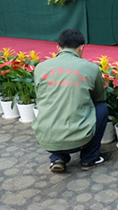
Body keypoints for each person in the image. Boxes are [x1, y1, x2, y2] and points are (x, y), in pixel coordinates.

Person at [32, 29, 111, 172]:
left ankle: (57, 157)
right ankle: (89, 158)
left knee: (50, 104)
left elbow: (40, 96)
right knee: (101, 108)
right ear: (82, 48)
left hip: (46, 139)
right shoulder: (91, 68)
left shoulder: (40, 67)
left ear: (58, 47)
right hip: (80, 139)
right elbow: (99, 97)